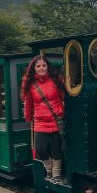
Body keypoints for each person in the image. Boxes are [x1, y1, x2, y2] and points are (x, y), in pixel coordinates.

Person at [21, 55, 65, 183]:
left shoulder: (56, 79)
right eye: (38, 66)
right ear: (34, 68)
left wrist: (63, 112)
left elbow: (64, 97)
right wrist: (28, 117)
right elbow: (28, 103)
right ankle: (49, 169)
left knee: (56, 149)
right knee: (40, 149)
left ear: (48, 66)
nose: (41, 68)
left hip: (56, 120)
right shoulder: (30, 84)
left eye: (44, 65)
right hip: (40, 121)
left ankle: (56, 174)